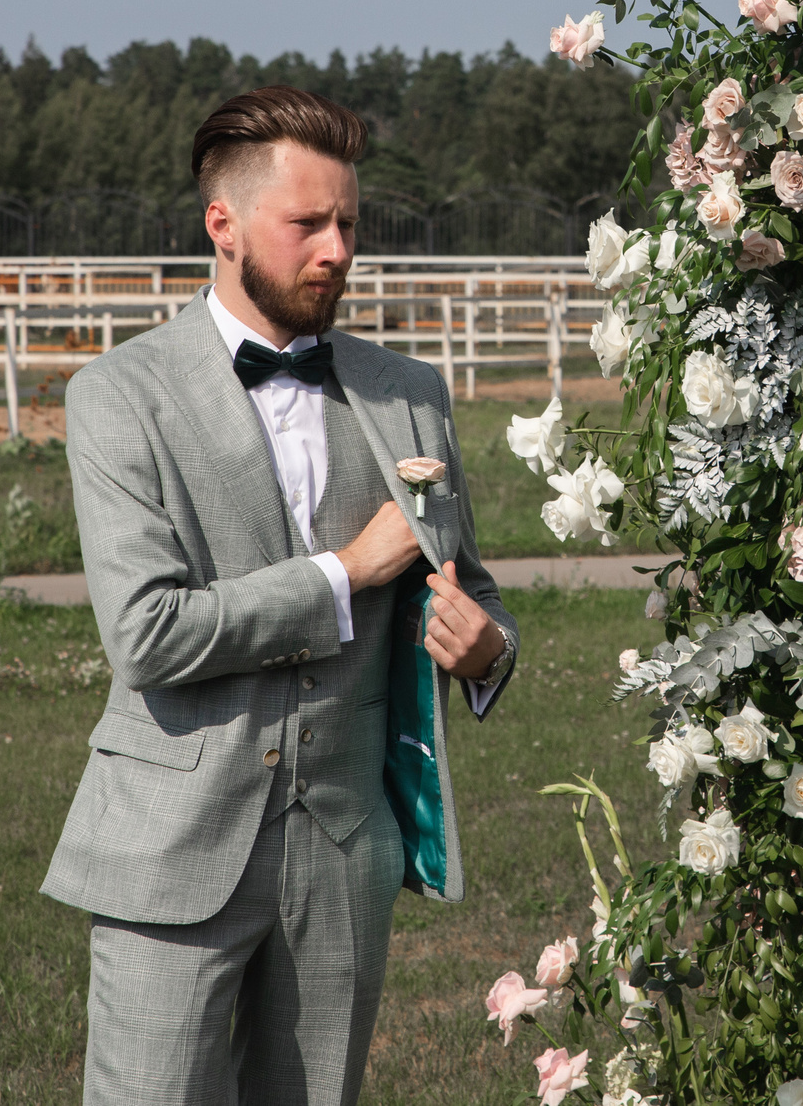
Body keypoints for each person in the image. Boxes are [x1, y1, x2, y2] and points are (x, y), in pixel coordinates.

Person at [40, 85, 519, 1106]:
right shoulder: (119, 397)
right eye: (307, 223)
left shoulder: (410, 392)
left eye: (348, 222)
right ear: (222, 224)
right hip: (172, 846)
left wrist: (486, 651)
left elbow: (466, 591)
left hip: (344, 856)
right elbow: (150, 634)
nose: (337, 248)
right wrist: (346, 576)